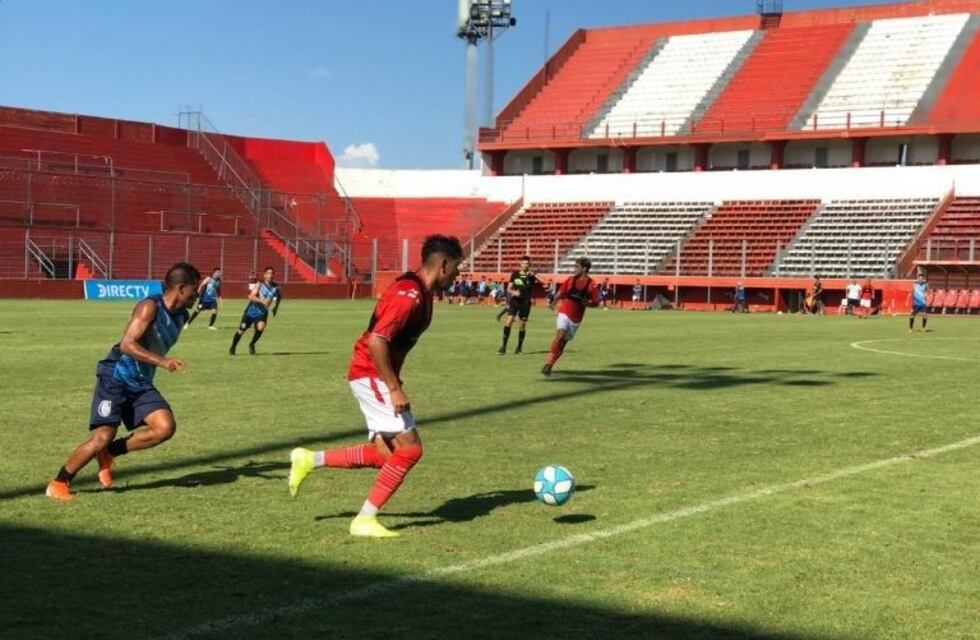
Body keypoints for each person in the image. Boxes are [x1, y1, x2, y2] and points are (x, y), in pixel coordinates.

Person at [288, 235, 463, 538]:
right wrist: (394, 387)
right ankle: (364, 520)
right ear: (444, 264)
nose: (458, 275)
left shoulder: (422, 292)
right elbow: (376, 340)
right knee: (410, 449)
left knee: (385, 455)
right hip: (372, 373)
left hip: (371, 374)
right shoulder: (409, 294)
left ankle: (309, 459)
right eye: (458, 268)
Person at [45, 263, 201, 502]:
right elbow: (127, 344)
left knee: (164, 428)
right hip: (116, 376)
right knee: (101, 437)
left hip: (140, 380)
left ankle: (109, 453)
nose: (197, 294)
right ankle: (59, 482)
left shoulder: (181, 314)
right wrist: (162, 361)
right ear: (180, 288)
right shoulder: (150, 307)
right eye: (194, 289)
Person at [542, 257, 600, 376]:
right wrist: (554, 302)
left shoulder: (591, 284)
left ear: (584, 269)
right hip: (564, 313)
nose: (574, 269)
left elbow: (596, 302)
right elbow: (561, 292)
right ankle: (547, 363)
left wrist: (588, 303)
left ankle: (550, 365)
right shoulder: (570, 280)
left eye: (576, 267)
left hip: (576, 320)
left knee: (562, 344)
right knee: (560, 336)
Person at [230, 266, 281, 355]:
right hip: (252, 309)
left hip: (263, 311)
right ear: (264, 275)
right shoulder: (259, 284)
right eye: (268, 273)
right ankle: (233, 346)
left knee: (261, 327)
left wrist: (275, 307)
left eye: (272, 273)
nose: (270, 275)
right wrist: (262, 301)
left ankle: (252, 344)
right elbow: (251, 296)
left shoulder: (276, 287)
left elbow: (279, 296)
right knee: (241, 330)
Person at [498, 255, 538, 355]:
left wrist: (535, 275)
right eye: (523, 263)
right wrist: (513, 292)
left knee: (522, 326)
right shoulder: (515, 274)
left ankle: (519, 348)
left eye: (527, 264)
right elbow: (509, 288)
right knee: (508, 322)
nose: (525, 265)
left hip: (525, 303)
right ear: (520, 264)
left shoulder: (531, 276)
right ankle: (503, 347)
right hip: (515, 301)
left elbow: (546, 283)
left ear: (529, 265)